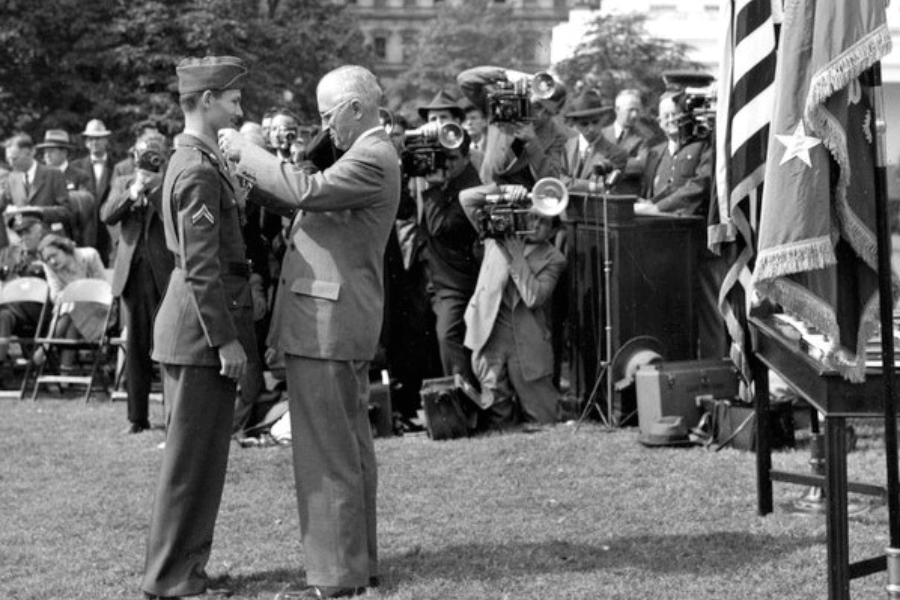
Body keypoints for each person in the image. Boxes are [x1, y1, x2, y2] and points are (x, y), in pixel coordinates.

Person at [219, 64, 400, 599]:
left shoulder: (371, 154)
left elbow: (303, 190)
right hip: (332, 320)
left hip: (328, 322)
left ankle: (334, 575)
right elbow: (301, 196)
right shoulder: (367, 154)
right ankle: (355, 564)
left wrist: (242, 149)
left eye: (328, 117)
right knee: (346, 448)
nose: (325, 129)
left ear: (355, 108)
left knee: (325, 454)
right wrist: (255, 180)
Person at [142, 55, 254, 600]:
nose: (240, 106)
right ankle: (171, 577)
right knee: (190, 464)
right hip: (199, 334)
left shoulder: (199, 160)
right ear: (206, 100)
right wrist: (225, 338)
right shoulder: (197, 168)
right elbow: (203, 267)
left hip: (193, 331)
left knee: (201, 460)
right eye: (232, 98)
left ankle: (189, 570)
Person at [459, 183, 567, 430]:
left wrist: (517, 258)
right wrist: (504, 190)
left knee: (544, 419)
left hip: (526, 345)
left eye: (544, 222)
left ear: (552, 231)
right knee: (498, 417)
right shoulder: (496, 236)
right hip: (490, 337)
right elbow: (466, 198)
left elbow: (534, 298)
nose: (536, 225)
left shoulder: (553, 258)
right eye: (532, 217)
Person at [639, 91, 724, 359]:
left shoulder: (703, 145)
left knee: (709, 311)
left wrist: (657, 208)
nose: (670, 120)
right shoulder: (656, 153)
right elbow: (655, 193)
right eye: (664, 116)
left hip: (696, 243)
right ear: (658, 121)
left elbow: (700, 184)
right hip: (663, 247)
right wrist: (645, 206)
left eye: (674, 114)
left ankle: (713, 365)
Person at [101, 134, 174, 435]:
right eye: (142, 155)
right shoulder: (123, 181)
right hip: (133, 273)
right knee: (137, 347)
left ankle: (172, 416)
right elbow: (107, 215)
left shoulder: (169, 180)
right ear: (133, 156)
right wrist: (133, 193)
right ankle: (137, 417)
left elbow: (172, 215)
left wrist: (154, 187)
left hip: (164, 272)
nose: (146, 160)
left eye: (154, 155)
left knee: (169, 347)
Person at [457, 65, 569, 187]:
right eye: (537, 106)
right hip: (487, 188)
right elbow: (465, 80)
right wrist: (507, 75)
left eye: (548, 112)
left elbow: (552, 179)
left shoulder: (555, 135)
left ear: (556, 113)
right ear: (528, 97)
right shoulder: (503, 105)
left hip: (525, 198)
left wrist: (533, 143)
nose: (539, 115)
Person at [34, 234, 108, 373]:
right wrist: (74, 296)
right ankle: (65, 372)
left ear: (64, 248)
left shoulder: (90, 255)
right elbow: (55, 295)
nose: (53, 261)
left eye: (54, 255)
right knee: (73, 317)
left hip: (100, 310)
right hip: (70, 312)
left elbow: (102, 288)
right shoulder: (50, 267)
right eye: (48, 259)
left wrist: (73, 294)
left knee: (72, 312)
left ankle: (46, 346)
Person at [0, 134, 73, 248]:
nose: (11, 163)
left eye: (14, 158)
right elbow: (4, 207)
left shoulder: (53, 174)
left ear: (30, 152)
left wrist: (39, 211)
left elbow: (66, 211)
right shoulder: (12, 179)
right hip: (23, 244)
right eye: (8, 159)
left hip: (51, 242)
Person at [0, 210, 48, 384]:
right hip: (12, 313)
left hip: (40, 312)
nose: (23, 238)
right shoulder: (8, 254)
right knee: (2, 316)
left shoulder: (50, 250)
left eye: (28, 232)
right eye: (19, 233)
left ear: (40, 231)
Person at [37, 129, 97, 246]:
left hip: (74, 236)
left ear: (64, 152)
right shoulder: (40, 177)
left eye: (51, 151)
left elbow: (86, 207)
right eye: (45, 151)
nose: (47, 155)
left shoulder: (80, 176)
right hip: (45, 238)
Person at [560, 90, 629, 191]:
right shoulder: (564, 147)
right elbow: (556, 179)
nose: (591, 128)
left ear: (603, 119)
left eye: (595, 122)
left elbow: (605, 185)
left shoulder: (617, 154)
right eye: (584, 124)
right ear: (575, 123)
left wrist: (569, 183)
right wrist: (590, 186)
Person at [71, 119, 117, 265]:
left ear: (106, 141)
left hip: (108, 232)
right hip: (83, 232)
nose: (95, 143)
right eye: (91, 139)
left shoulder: (116, 166)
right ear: (86, 143)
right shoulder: (75, 167)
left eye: (98, 138)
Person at [600, 89, 659, 196]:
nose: (635, 115)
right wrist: (627, 161)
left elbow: (641, 165)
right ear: (617, 109)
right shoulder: (601, 135)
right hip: (600, 195)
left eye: (637, 110)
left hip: (626, 197)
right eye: (630, 110)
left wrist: (606, 164)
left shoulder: (646, 137)